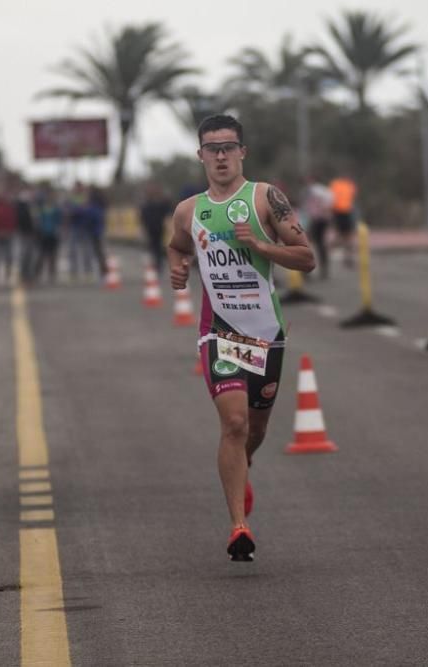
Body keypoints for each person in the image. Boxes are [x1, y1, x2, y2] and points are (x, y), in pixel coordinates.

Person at [167, 114, 315, 562]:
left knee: (255, 429)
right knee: (233, 424)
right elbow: (178, 245)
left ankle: (241, 469)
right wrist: (178, 266)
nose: (221, 155)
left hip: (267, 335)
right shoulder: (189, 210)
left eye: (228, 146)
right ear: (200, 156)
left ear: (242, 152)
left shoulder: (266, 198)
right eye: (212, 148)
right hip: (220, 333)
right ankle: (238, 528)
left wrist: (262, 247)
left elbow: (306, 258)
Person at [302, 176, 334, 279]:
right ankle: (323, 270)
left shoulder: (314, 190)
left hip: (316, 219)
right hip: (322, 219)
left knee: (308, 244)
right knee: (320, 244)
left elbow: (312, 207)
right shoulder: (324, 190)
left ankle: (308, 271)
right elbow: (330, 202)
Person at [140, 183, 172, 275]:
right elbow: (143, 216)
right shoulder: (147, 204)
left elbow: (167, 210)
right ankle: (157, 263)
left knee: (157, 246)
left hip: (159, 227)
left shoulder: (160, 203)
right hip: (151, 227)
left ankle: (159, 264)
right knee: (154, 246)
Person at [34, 184, 63, 283]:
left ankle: (52, 274)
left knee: (53, 256)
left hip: (53, 234)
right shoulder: (41, 207)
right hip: (43, 234)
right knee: (41, 255)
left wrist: (59, 230)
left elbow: (59, 220)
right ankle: (37, 274)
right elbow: (37, 219)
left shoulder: (56, 207)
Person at [329, 173, 358, 268]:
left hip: (345, 212)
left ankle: (347, 257)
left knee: (345, 236)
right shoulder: (340, 184)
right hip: (341, 212)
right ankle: (345, 256)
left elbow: (351, 198)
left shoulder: (340, 184)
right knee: (344, 236)